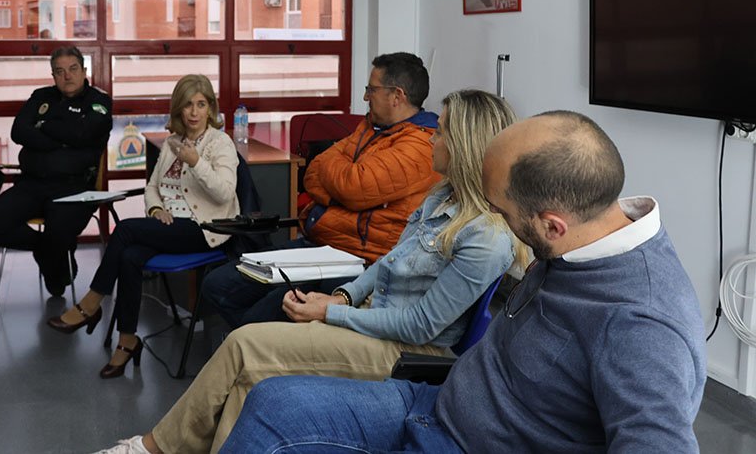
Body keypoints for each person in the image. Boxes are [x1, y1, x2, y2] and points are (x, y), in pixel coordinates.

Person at [223, 111, 707, 454]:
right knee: (270, 402)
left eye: (501, 210)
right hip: (437, 405)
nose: (493, 216)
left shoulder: (642, 324)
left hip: (463, 442)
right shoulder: (582, 233)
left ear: (551, 224)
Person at [95, 89, 529, 454]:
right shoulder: (441, 197)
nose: (432, 136)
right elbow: (388, 262)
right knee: (250, 379)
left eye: (443, 130)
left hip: (404, 350)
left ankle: (152, 448)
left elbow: (420, 326)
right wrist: (343, 295)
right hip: (375, 320)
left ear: (466, 145)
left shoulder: (486, 237)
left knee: (244, 344)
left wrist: (329, 312)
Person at [203, 52, 442, 328]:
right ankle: (264, 344)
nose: (365, 97)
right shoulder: (371, 127)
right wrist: (343, 191)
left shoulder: (419, 147)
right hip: (320, 244)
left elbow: (353, 187)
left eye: (372, 89)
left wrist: (344, 190)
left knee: (258, 320)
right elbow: (314, 172)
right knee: (217, 285)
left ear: (397, 96)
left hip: (356, 260)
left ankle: (261, 345)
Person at [46, 74, 239, 379]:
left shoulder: (220, 143)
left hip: (204, 229)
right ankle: (127, 341)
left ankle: (91, 304)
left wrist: (196, 162)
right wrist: (156, 208)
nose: (194, 112)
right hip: (170, 227)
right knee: (129, 256)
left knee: (124, 231)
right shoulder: (173, 143)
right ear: (178, 108)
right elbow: (152, 187)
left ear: (210, 108)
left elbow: (225, 193)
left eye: (201, 104)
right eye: (188, 104)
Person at [0, 45, 112, 296]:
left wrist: (44, 126)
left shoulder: (98, 101)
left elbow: (84, 133)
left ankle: (55, 267)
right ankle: (45, 251)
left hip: (74, 188)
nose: (67, 76)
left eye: (73, 69)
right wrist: (63, 138)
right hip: (32, 184)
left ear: (84, 71)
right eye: (59, 71)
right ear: (53, 75)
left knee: (58, 233)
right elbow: (18, 131)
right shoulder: (41, 96)